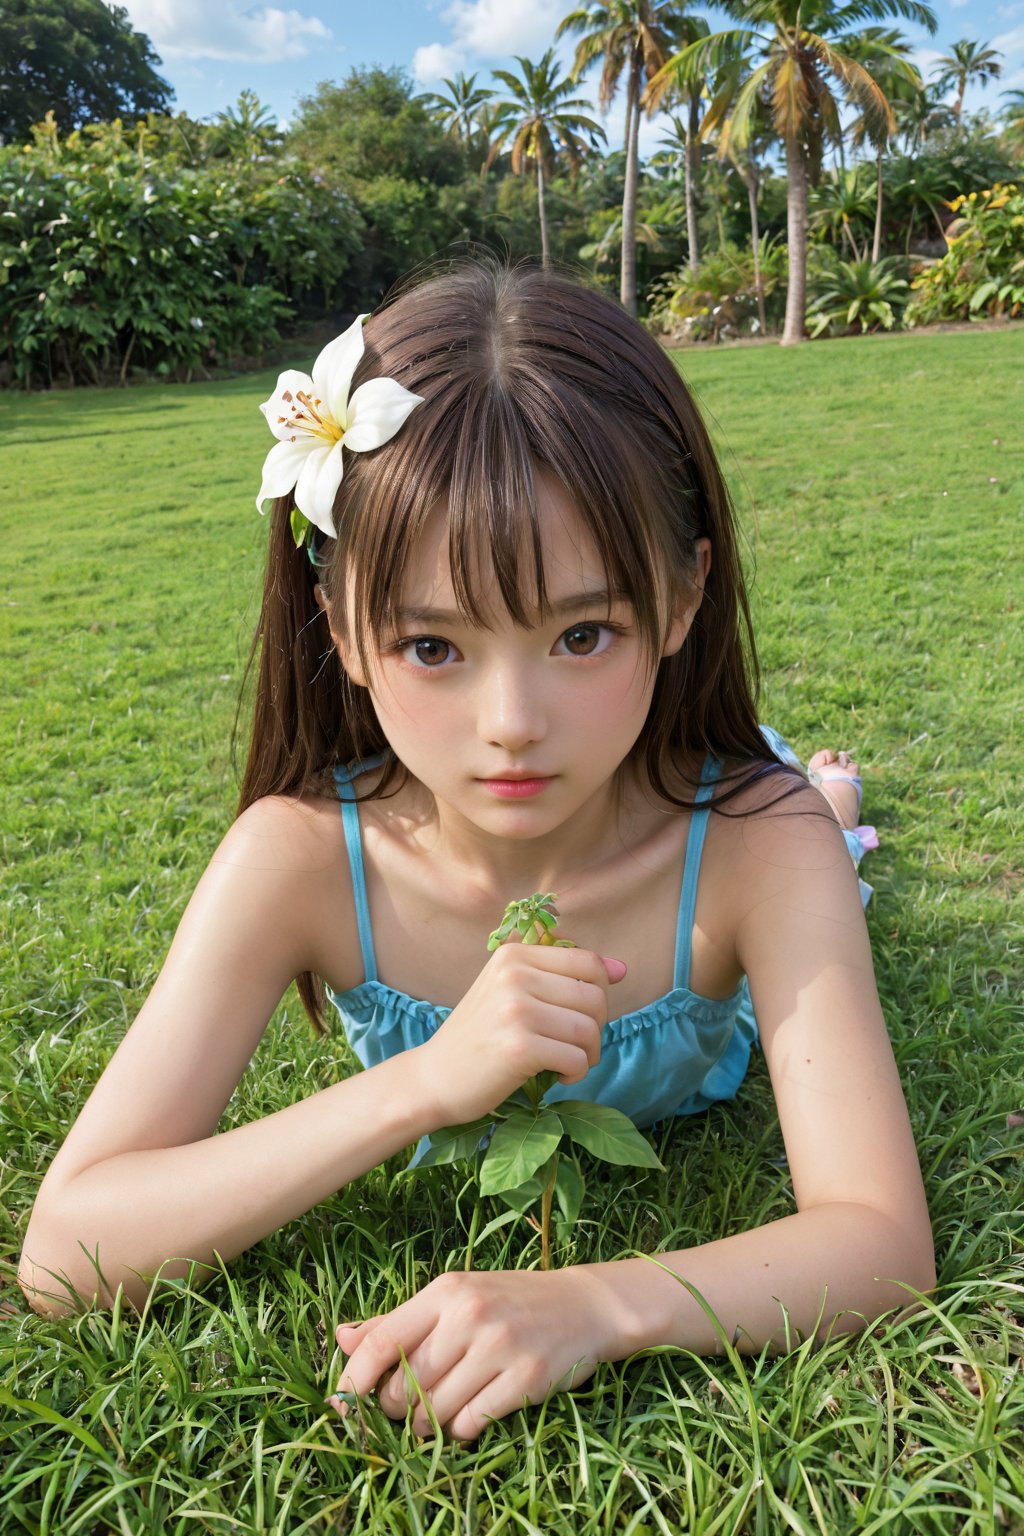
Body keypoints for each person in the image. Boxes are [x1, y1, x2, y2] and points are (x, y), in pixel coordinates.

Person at [18, 259, 934, 1445]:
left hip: (730, 804)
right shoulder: (296, 860)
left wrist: (602, 1303)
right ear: (339, 627)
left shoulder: (760, 849)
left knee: (823, 837)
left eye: (583, 633)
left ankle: (834, 790)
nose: (512, 723)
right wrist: (424, 1082)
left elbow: (877, 1237)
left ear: (683, 597)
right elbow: (65, 1256)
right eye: (434, 647)